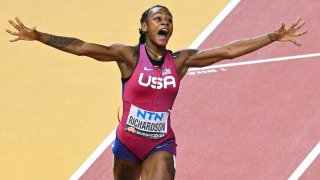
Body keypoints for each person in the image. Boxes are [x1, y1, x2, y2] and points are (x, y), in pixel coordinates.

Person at [6, 5, 306, 180]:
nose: (165, 22)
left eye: (168, 19)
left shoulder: (181, 61)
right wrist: (38, 36)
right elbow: (82, 47)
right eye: (158, 18)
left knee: (162, 170)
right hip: (126, 145)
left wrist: (272, 36)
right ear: (144, 26)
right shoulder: (129, 57)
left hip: (159, 145)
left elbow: (228, 51)